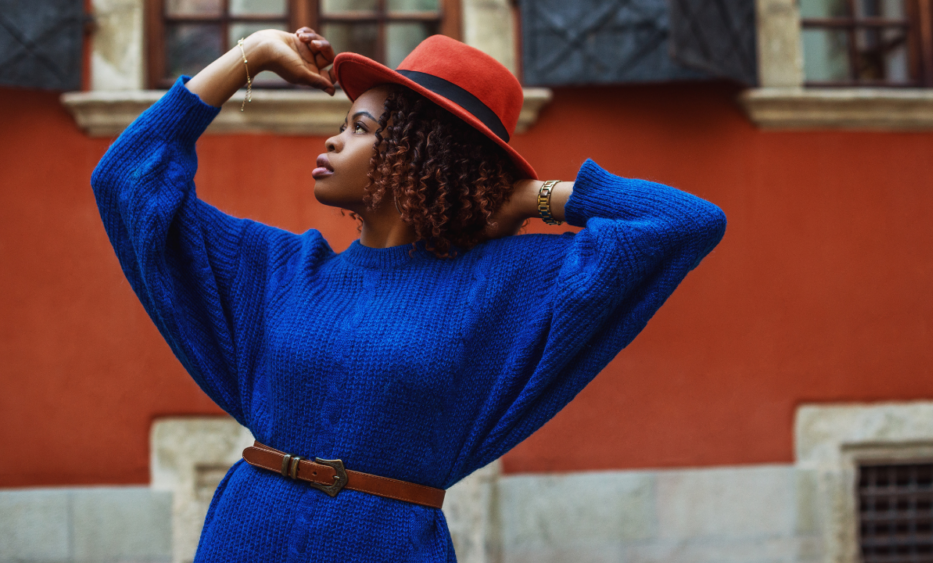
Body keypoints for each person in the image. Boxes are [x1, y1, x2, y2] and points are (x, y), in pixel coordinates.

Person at [91, 26, 726, 563]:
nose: (333, 140)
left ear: (423, 156)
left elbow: (686, 223)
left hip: (387, 544)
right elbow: (125, 179)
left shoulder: (504, 283)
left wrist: (531, 198)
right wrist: (249, 56)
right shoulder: (278, 268)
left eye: (360, 128)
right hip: (245, 535)